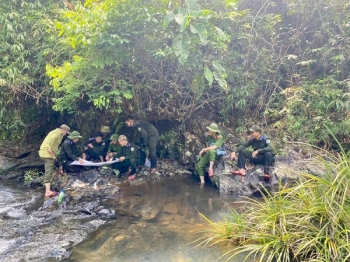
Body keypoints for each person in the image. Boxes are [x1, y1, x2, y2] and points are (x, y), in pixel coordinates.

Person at [39, 124, 70, 197]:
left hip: (47, 154)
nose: (66, 134)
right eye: (66, 132)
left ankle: (48, 189)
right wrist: (52, 155)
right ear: (62, 130)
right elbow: (49, 145)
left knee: (50, 170)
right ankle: (47, 192)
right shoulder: (56, 134)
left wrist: (55, 158)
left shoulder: (58, 133)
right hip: (47, 154)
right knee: (48, 172)